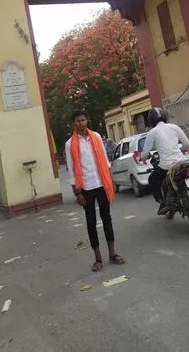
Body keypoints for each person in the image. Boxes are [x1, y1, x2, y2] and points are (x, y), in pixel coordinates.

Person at [65, 110, 125, 273]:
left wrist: (111, 182)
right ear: (74, 124)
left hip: (101, 184)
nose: (81, 123)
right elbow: (71, 169)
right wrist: (77, 193)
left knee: (107, 218)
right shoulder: (70, 144)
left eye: (83, 120)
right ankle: (98, 258)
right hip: (85, 187)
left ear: (87, 120)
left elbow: (105, 161)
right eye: (77, 121)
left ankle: (112, 254)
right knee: (91, 222)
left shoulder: (97, 137)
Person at [142, 108, 189, 215]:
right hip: (182, 161)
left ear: (151, 120)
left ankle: (162, 203)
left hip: (166, 166)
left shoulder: (152, 132)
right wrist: (180, 150)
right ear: (165, 117)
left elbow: (145, 153)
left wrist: (143, 159)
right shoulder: (174, 127)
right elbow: (186, 143)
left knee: (152, 179)